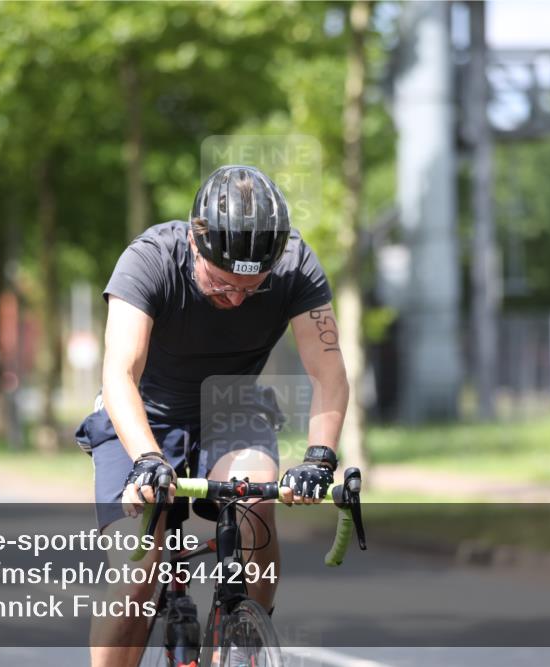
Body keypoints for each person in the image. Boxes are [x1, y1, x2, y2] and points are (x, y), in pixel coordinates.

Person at [76, 165, 350, 666]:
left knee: (256, 501)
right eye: (223, 285)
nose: (238, 298)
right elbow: (120, 374)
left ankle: (247, 633)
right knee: (136, 575)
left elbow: (329, 375)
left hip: (231, 403)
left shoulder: (295, 264)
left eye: (253, 288)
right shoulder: (150, 260)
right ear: (196, 243)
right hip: (142, 413)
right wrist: (146, 460)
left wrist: (318, 459)